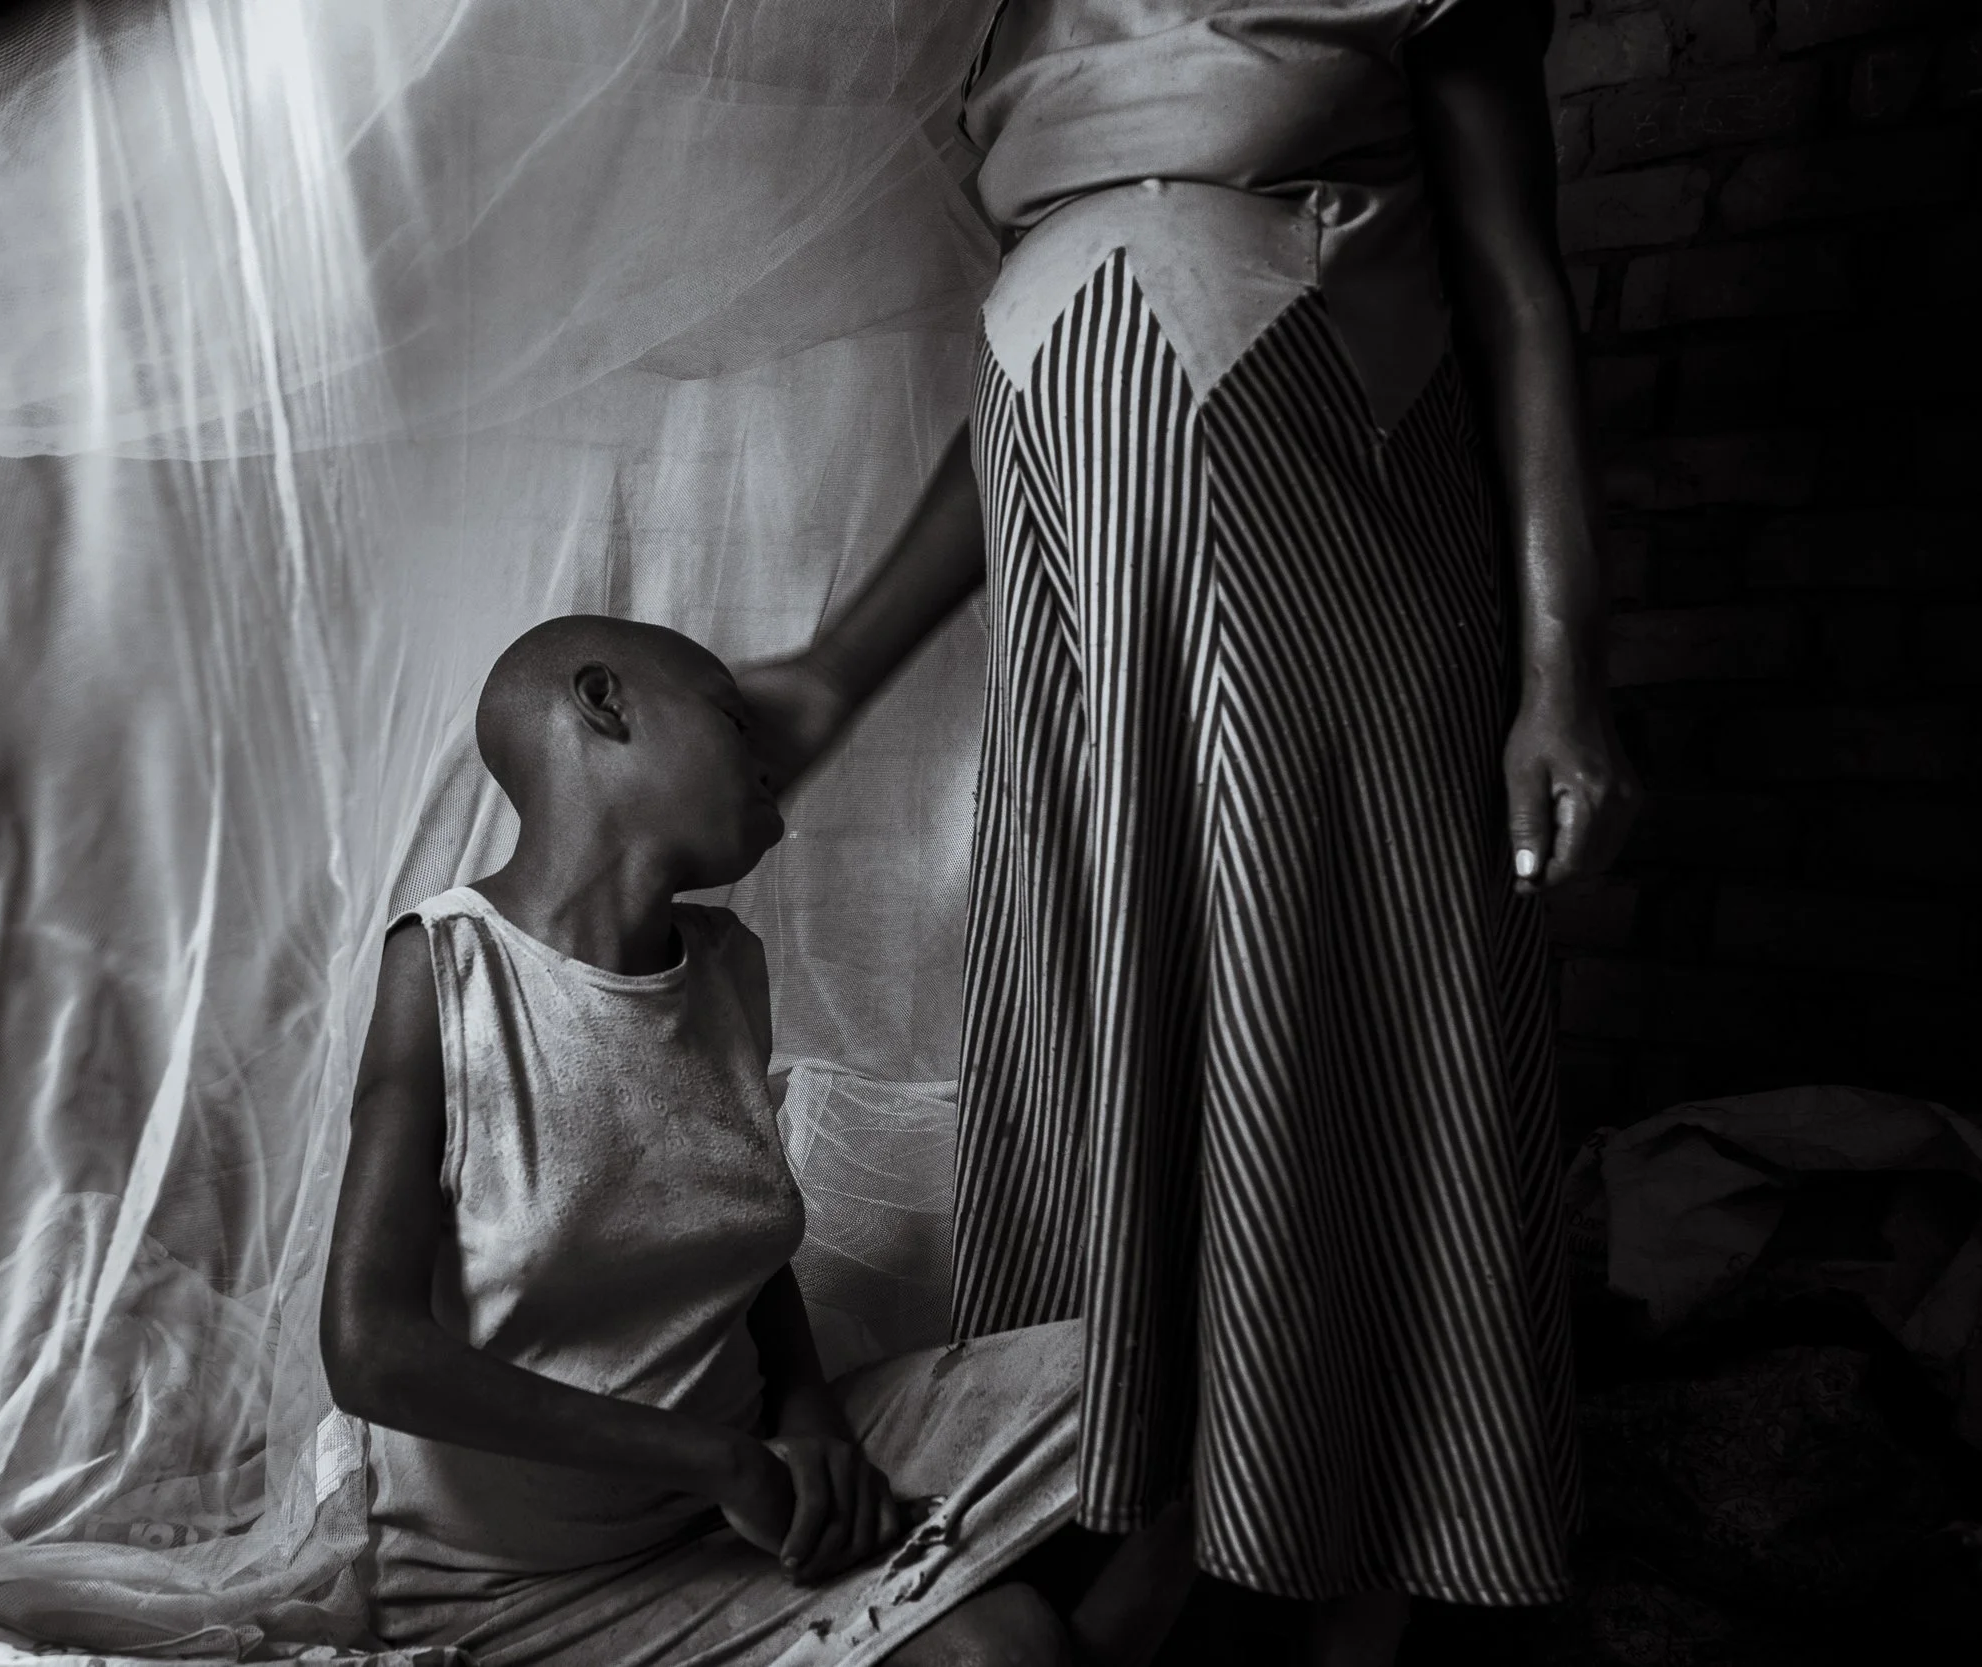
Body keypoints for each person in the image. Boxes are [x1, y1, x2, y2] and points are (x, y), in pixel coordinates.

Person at [741, 0, 1641, 1662]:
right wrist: (838, 665)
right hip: (1086, 616)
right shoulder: (1012, 22)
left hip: (1324, 557)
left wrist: (1565, 671)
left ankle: (1372, 1558)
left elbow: (1519, 292)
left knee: (1334, 1027)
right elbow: (1043, 359)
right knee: (1120, 1044)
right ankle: (1150, 1508)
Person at [322, 616, 1185, 1667]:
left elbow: (738, 1253)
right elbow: (370, 1352)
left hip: (757, 1486)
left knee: (1171, 1376)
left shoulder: (727, 965)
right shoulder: (448, 967)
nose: (775, 751)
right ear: (603, 702)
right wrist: (718, 1462)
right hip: (523, 1587)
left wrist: (810, 1416)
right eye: (734, 715)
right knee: (1001, 1646)